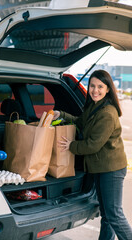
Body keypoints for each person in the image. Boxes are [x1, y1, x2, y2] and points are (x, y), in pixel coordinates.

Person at [53, 70, 132, 240]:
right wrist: (62, 114)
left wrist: (71, 146)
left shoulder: (107, 113)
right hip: (100, 168)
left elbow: (93, 145)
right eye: (92, 86)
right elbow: (80, 121)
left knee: (115, 216)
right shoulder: (94, 106)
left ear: (108, 89)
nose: (95, 90)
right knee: (107, 216)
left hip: (111, 170)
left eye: (100, 87)